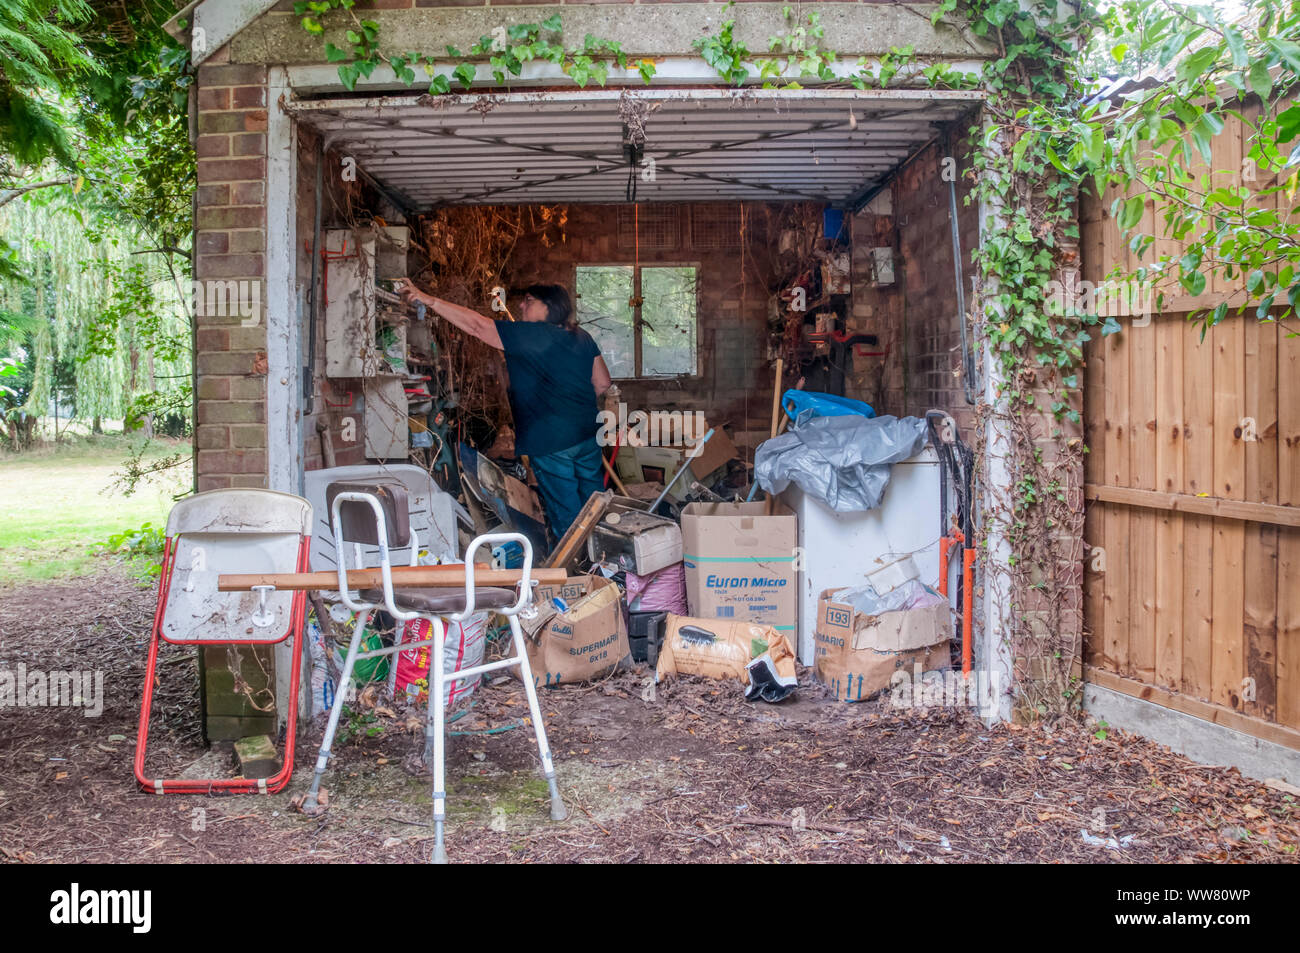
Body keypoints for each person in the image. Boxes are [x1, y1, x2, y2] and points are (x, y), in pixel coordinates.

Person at [394, 279, 613, 539]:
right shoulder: (581, 336)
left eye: (529, 301)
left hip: (552, 441)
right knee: (595, 503)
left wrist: (429, 300)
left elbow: (477, 325)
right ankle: (606, 558)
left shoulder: (528, 334)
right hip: (587, 435)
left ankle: (578, 571)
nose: (521, 305)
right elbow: (602, 383)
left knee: (567, 514)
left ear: (549, 307)